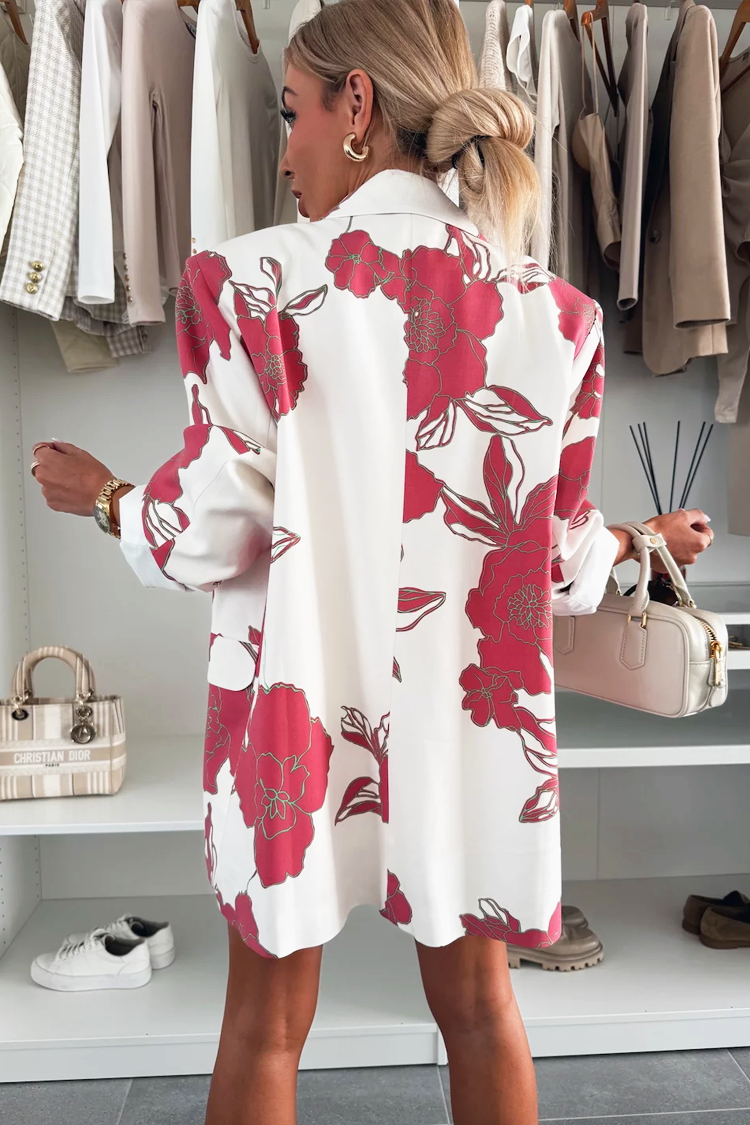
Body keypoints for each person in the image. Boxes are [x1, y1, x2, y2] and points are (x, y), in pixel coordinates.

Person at [31, 1, 714, 1122]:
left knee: (264, 1024)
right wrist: (642, 544)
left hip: (297, 725)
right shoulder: (557, 316)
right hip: (468, 726)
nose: (282, 152)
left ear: (360, 106)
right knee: (482, 1009)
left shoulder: (245, 285)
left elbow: (209, 533)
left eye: (290, 113)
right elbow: (556, 564)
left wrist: (105, 496)